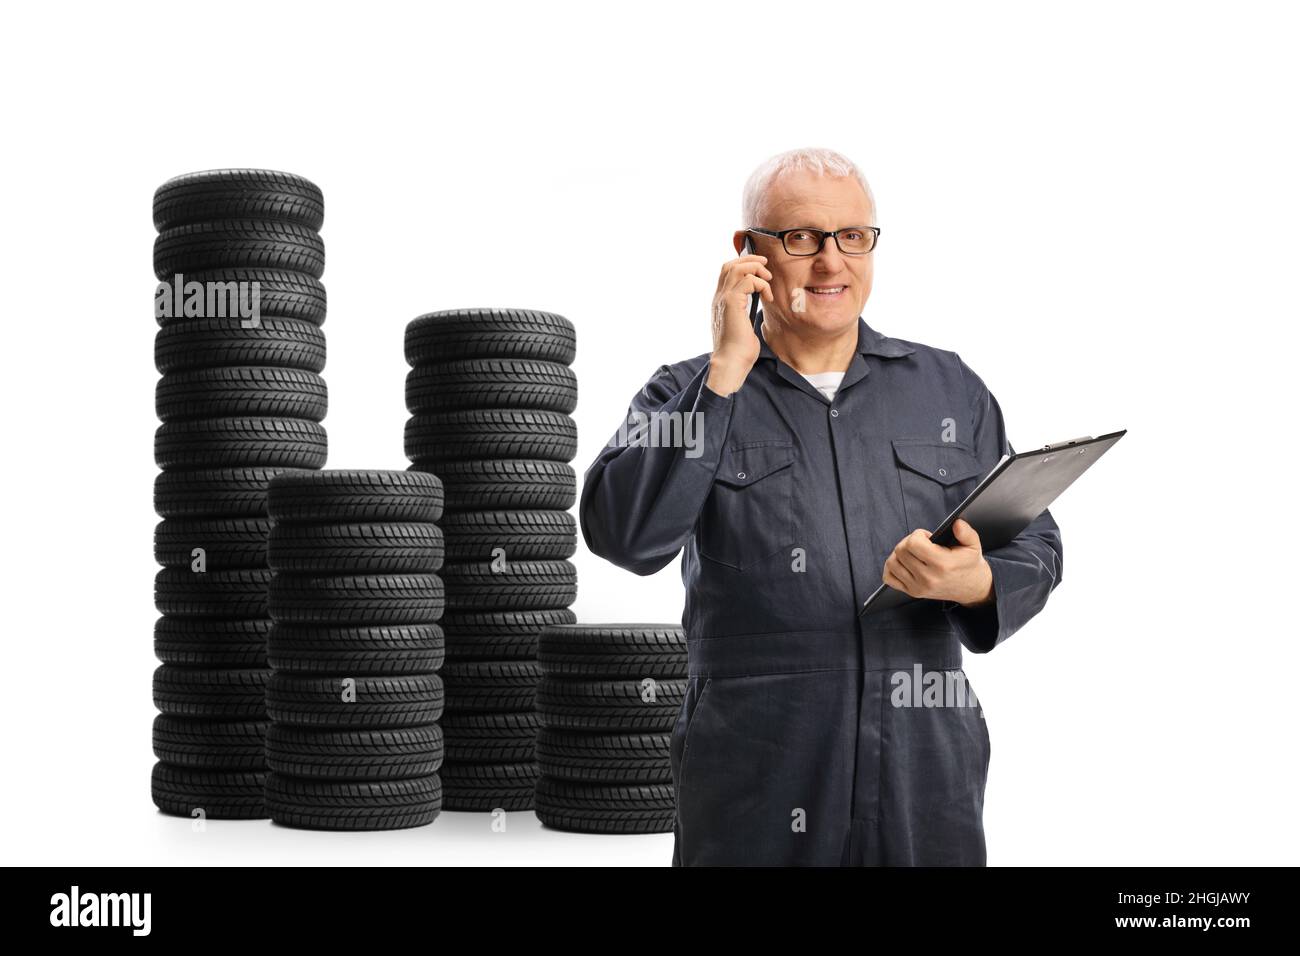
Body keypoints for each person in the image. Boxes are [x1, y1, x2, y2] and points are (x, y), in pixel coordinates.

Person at [579, 147, 1063, 866]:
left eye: (852, 237)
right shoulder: (685, 391)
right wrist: (723, 377)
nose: (831, 262)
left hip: (923, 765)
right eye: (802, 238)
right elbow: (623, 534)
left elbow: (1035, 544)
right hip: (757, 768)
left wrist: (979, 583)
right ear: (749, 254)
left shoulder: (945, 387)